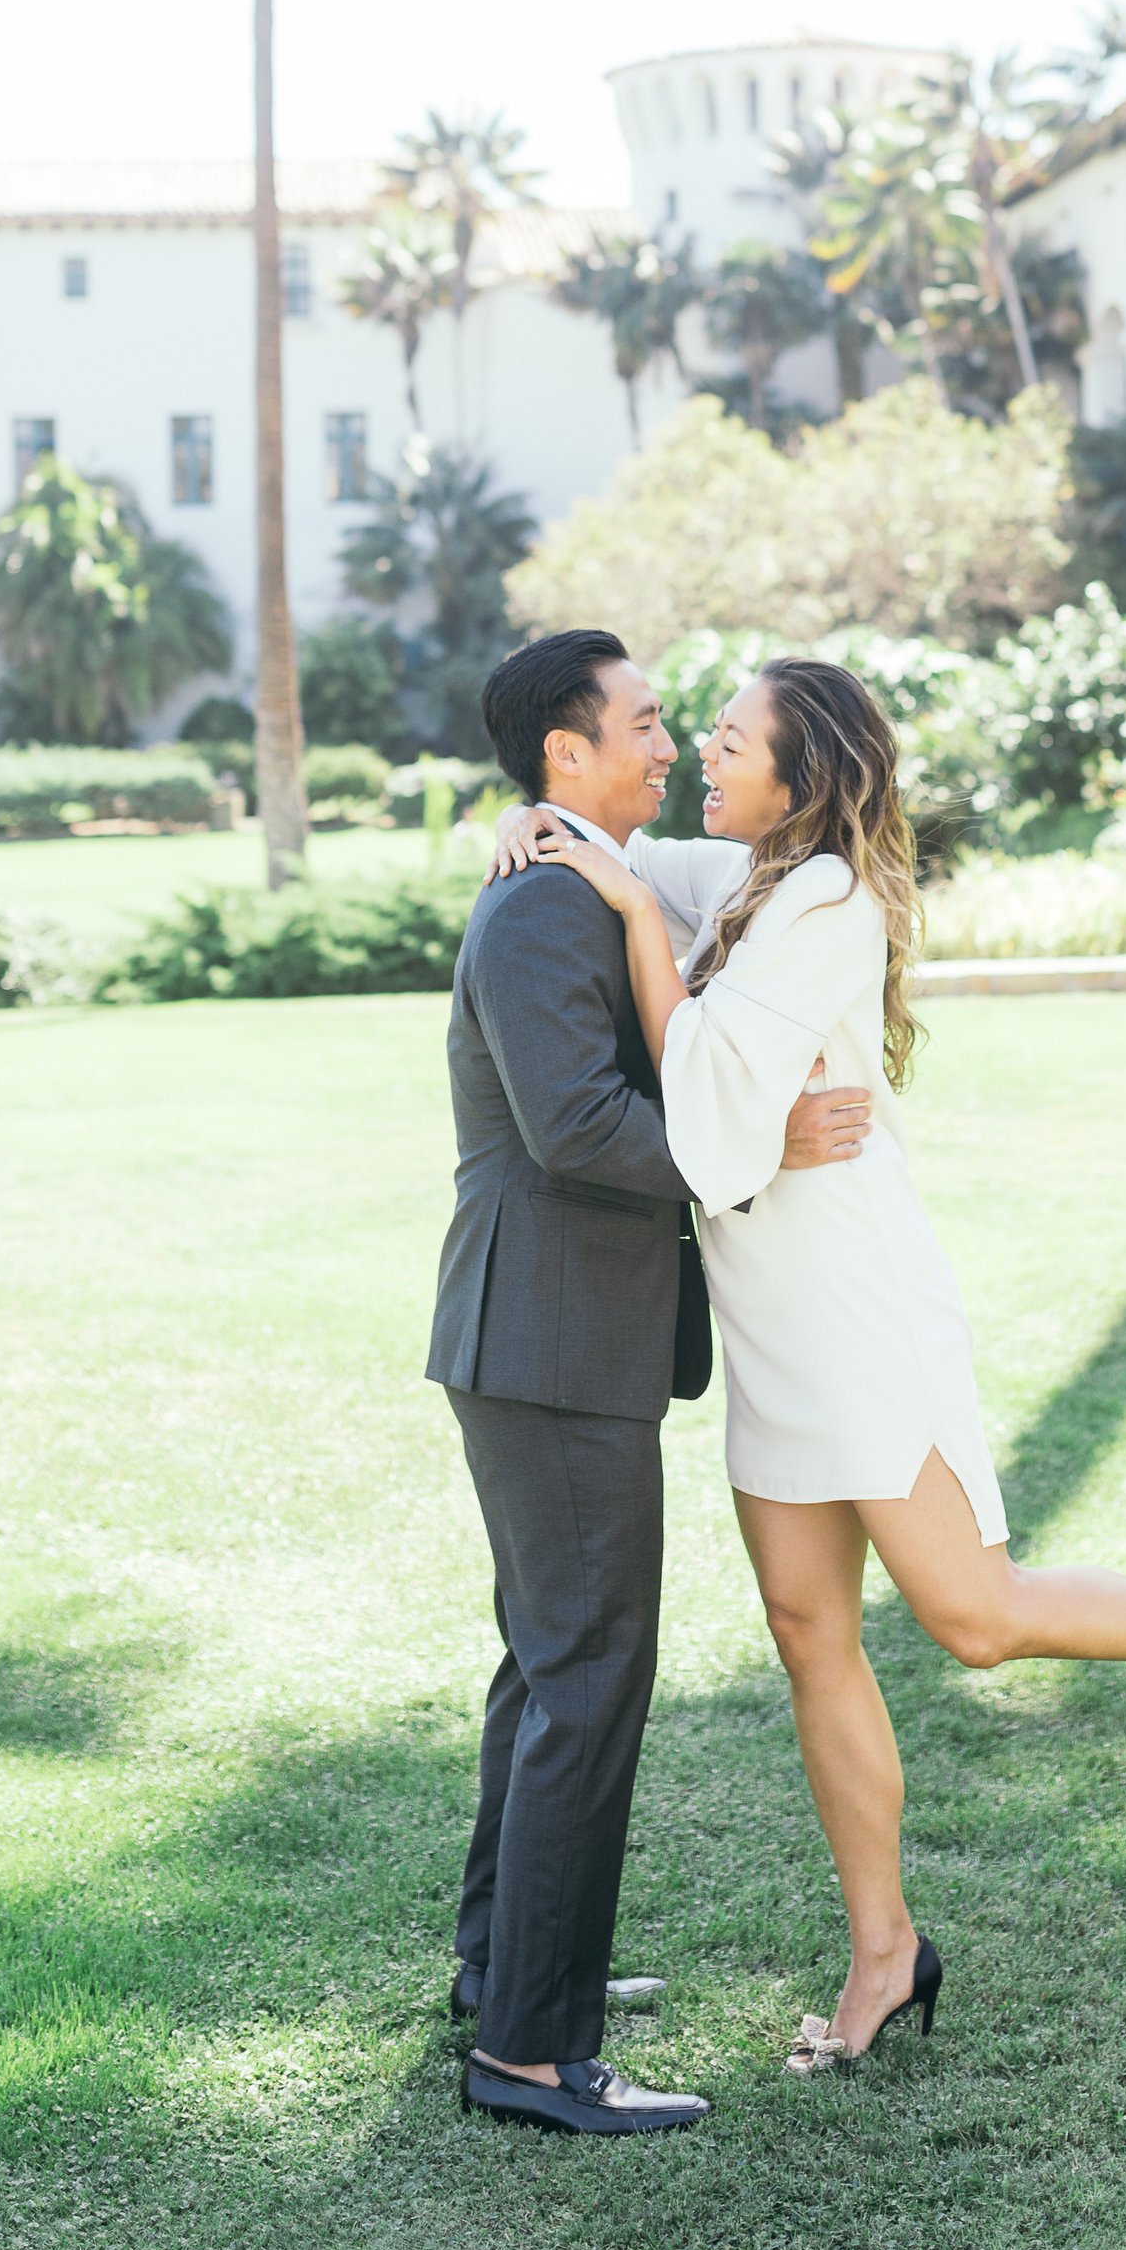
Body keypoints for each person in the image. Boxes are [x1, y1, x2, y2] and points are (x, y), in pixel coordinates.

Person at [490, 653, 1126, 2077]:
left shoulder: (828, 898)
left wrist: (623, 915)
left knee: (975, 1615)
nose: (704, 759)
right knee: (807, 1636)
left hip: (854, 1309)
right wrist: (557, 838)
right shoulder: (753, 881)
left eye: (729, 742)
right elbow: (631, 855)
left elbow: (713, 1081)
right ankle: (885, 1954)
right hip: (773, 1325)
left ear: (803, 774)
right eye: (696, 736)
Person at [429, 626, 874, 2139]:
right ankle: (532, 2056)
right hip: (548, 1342)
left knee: (549, 1664)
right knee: (590, 1669)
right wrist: (750, 1151)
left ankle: (509, 1976)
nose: (669, 741)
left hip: (555, 1338)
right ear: (569, 750)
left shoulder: (580, 878)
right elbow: (577, 1131)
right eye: (644, 719)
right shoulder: (544, 915)